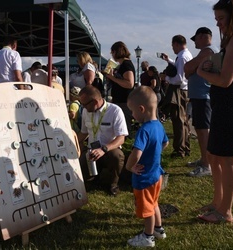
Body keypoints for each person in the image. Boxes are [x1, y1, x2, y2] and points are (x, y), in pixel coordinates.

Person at [196, 0, 233, 224]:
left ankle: (225, 212)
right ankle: (218, 203)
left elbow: (225, 80)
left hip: (232, 104)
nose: (218, 23)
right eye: (217, 19)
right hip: (226, 104)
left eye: (221, 18)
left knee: (227, 159)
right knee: (215, 156)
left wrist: (203, 73)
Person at [125, 86, 169, 247]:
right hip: (157, 175)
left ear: (141, 109)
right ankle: (159, 229)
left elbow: (136, 153)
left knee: (148, 209)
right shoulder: (159, 125)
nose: (132, 115)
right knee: (154, 203)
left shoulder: (144, 130)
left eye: (132, 111)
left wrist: (130, 167)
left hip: (144, 178)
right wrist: (154, 153)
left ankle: (148, 237)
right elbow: (165, 143)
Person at [77, 85, 128, 196]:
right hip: (91, 152)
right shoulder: (86, 111)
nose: (83, 107)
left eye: (85, 104)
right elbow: (84, 133)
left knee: (117, 156)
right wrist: (73, 141)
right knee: (81, 169)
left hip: (108, 150)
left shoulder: (115, 111)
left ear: (95, 102)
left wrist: (103, 149)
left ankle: (113, 184)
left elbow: (121, 138)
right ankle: (93, 178)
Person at [184, 27, 218, 177]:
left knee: (204, 131)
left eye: (196, 39)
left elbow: (187, 67)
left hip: (204, 97)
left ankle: (207, 165)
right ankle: (205, 159)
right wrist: (191, 69)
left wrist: (191, 69)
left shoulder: (208, 51)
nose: (195, 42)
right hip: (200, 96)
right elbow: (188, 71)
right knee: (200, 129)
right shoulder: (205, 52)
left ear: (203, 37)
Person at [160, 35, 193, 158]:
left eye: (173, 45)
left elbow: (179, 78)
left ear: (177, 44)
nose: (172, 48)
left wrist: (166, 78)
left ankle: (180, 150)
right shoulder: (185, 55)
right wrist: (169, 60)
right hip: (184, 90)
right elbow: (181, 70)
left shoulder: (182, 57)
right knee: (183, 120)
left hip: (179, 91)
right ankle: (185, 147)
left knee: (178, 121)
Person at [104, 41, 135, 133]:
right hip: (120, 100)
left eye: (112, 52)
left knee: (123, 126)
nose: (112, 55)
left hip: (124, 101)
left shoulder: (126, 64)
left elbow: (130, 84)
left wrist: (112, 78)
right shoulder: (122, 65)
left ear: (116, 52)